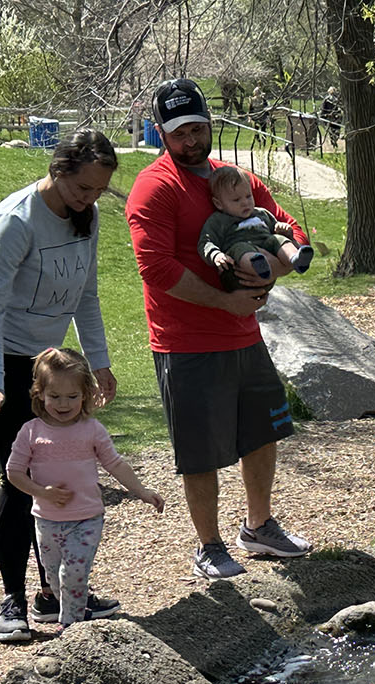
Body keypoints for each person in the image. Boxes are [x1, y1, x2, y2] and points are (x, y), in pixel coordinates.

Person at [125, 78, 314, 581]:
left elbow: (289, 229)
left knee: (262, 432)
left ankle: (258, 527)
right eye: (180, 131)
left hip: (244, 336)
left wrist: (274, 272)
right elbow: (156, 269)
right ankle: (208, 545)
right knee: (200, 448)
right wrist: (226, 301)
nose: (191, 140)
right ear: (162, 133)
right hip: (185, 341)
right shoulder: (154, 187)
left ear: (211, 124)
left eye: (198, 128)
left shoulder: (235, 181)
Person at [0, 128, 121, 643]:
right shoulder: (17, 219)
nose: (89, 200)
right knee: (19, 475)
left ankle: (56, 593)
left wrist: (99, 363)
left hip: (43, 364)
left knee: (59, 468)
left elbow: (87, 297)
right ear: (57, 171)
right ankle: (13, 600)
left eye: (98, 191)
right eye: (81, 189)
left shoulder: (85, 219)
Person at [6, 348, 164, 628]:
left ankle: (70, 628)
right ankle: (77, 612)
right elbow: (14, 472)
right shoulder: (31, 432)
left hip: (87, 518)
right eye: (55, 396)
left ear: (86, 395)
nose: (63, 404)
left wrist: (141, 491)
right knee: (54, 579)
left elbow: (115, 464)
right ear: (40, 393)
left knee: (74, 574)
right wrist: (42, 492)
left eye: (72, 396)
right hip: (47, 520)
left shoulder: (92, 430)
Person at [199, 165, 313, 290]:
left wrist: (285, 232)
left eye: (248, 196)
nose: (245, 202)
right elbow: (206, 242)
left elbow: (275, 228)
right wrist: (215, 255)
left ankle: (295, 258)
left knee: (277, 239)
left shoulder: (261, 213)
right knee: (240, 248)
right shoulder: (219, 220)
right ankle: (258, 266)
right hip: (240, 255)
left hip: (266, 244)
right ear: (218, 204)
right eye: (236, 200)